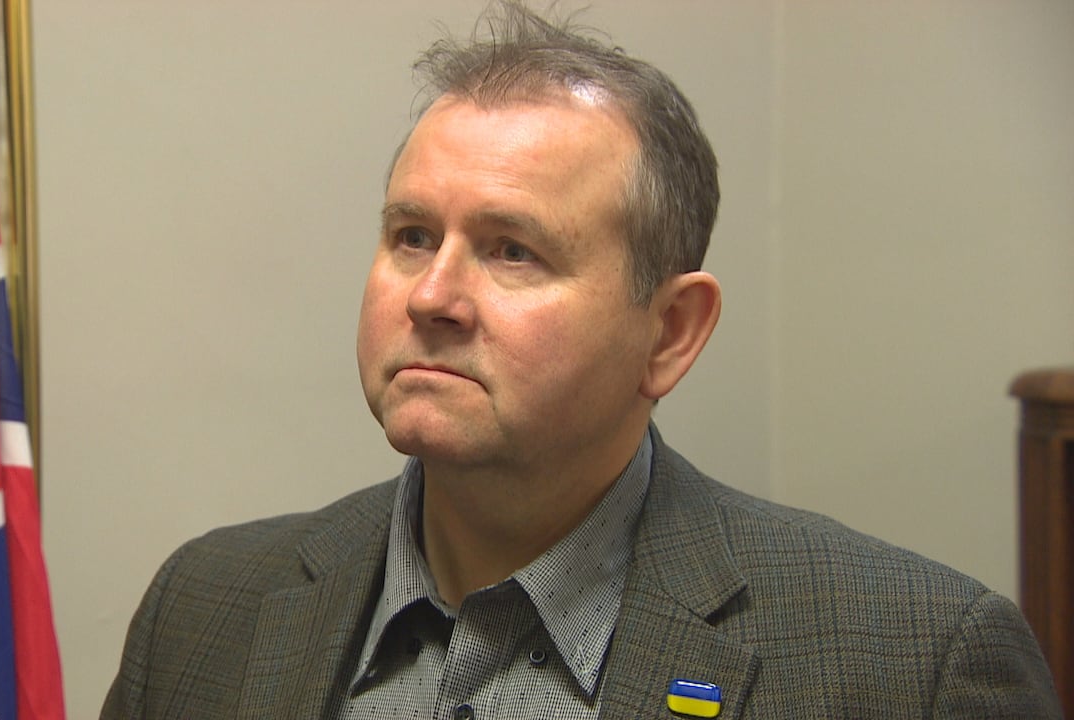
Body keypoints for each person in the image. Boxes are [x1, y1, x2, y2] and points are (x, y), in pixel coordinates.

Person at [101, 3, 1060, 718]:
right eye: (410, 234)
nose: (432, 295)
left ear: (672, 332)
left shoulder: (911, 663)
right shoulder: (206, 609)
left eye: (514, 250)